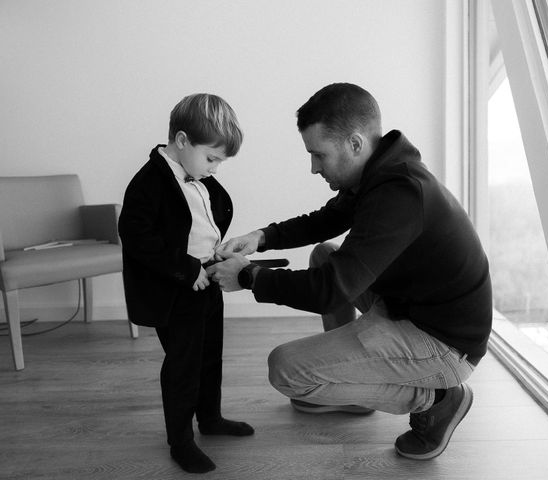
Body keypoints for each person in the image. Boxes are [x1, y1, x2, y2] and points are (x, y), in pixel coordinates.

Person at [208, 83, 492, 460]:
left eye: (318, 155)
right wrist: (261, 237)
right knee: (326, 254)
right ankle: (356, 382)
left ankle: (437, 398)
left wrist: (247, 277)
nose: (313, 167)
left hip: (444, 344)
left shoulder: (399, 194)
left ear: (355, 144)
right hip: (412, 305)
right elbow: (327, 220)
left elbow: (328, 291)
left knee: (285, 371)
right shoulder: (380, 170)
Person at [118, 93, 254, 474]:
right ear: (181, 141)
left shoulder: (198, 178)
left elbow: (201, 223)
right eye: (212, 158)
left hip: (207, 280)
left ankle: (210, 418)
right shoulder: (149, 182)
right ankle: (180, 440)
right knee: (183, 366)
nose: (215, 169)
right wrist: (183, 267)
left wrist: (216, 254)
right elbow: (137, 235)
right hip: (176, 289)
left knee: (210, 355)